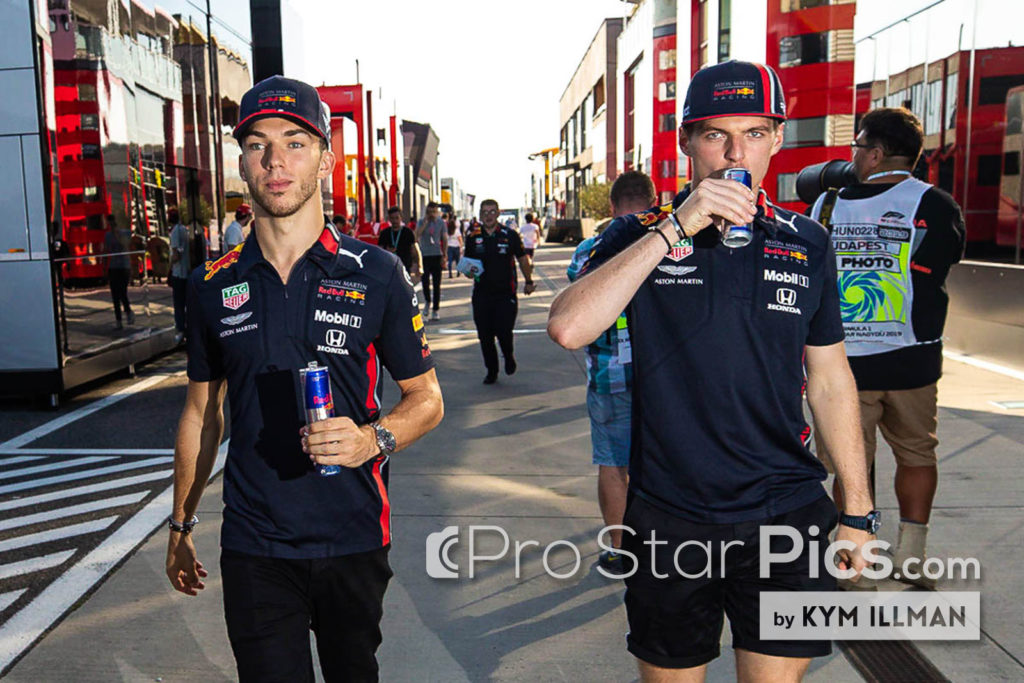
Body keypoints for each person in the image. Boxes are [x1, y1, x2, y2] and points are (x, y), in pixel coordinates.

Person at [547, 60, 877, 681]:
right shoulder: (636, 233)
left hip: (785, 515)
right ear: (687, 143)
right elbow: (568, 327)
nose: (735, 152)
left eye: (754, 133)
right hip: (672, 515)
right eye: (715, 135)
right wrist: (676, 226)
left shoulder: (808, 241)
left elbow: (831, 380)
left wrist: (856, 512)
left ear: (777, 138)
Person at [165, 75, 444, 683]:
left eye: (295, 141)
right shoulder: (212, 284)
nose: (276, 160)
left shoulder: (377, 272)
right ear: (241, 162)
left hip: (353, 535)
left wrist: (373, 440)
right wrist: (181, 523)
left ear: (326, 156)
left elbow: (426, 400)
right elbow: (201, 415)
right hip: (254, 542)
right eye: (258, 144)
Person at [809, 107, 966, 589]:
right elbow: (942, 266)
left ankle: (859, 564)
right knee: (918, 454)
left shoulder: (828, 207)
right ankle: (914, 557)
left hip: (843, 363)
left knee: (851, 462)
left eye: (858, 147)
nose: (853, 157)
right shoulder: (936, 205)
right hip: (912, 359)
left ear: (875, 153)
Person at [566, 170, 654, 574]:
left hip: (609, 375)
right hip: (666, 378)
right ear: (654, 203)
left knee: (614, 465)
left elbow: (577, 295)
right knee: (667, 461)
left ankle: (620, 550)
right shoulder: (674, 243)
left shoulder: (589, 250)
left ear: (613, 207)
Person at [462, 199, 535, 384]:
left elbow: (522, 259)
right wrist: (469, 272)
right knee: (485, 336)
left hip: (505, 294)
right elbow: (467, 267)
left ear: (498, 213)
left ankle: (508, 355)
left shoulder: (509, 235)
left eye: (492, 212)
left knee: (504, 332)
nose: (488, 216)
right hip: (481, 295)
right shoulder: (473, 238)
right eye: (485, 212)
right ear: (480, 215)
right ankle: (491, 370)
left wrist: (528, 281)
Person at [415, 202, 448, 320]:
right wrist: (425, 223)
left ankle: (435, 309)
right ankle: (428, 301)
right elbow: (416, 235)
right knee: (425, 282)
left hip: (436, 255)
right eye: (429, 212)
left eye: (434, 212)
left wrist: (444, 255)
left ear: (437, 212)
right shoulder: (421, 221)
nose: (431, 214)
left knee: (437, 284)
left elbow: (444, 238)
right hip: (425, 255)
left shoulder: (441, 223)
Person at [103, 214, 134, 329]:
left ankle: (128, 311)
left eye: (112, 223)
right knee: (115, 294)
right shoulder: (107, 235)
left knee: (122, 291)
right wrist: (104, 267)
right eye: (109, 223)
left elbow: (125, 246)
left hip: (124, 266)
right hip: (113, 267)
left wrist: (117, 233)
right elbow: (106, 251)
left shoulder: (125, 233)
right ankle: (118, 320)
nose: (111, 225)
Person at [378, 206, 420, 279]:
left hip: (404, 266)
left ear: (401, 218)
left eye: (397, 218)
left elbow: (414, 250)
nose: (395, 221)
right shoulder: (384, 233)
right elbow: (379, 250)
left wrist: (418, 266)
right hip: (389, 267)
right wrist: (386, 251)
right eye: (392, 218)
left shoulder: (408, 232)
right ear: (389, 219)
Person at [168, 208, 190, 337]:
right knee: (186, 302)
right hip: (186, 272)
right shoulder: (183, 230)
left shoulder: (175, 232)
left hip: (178, 273)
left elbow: (176, 255)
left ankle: (180, 329)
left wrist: (169, 267)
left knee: (179, 304)